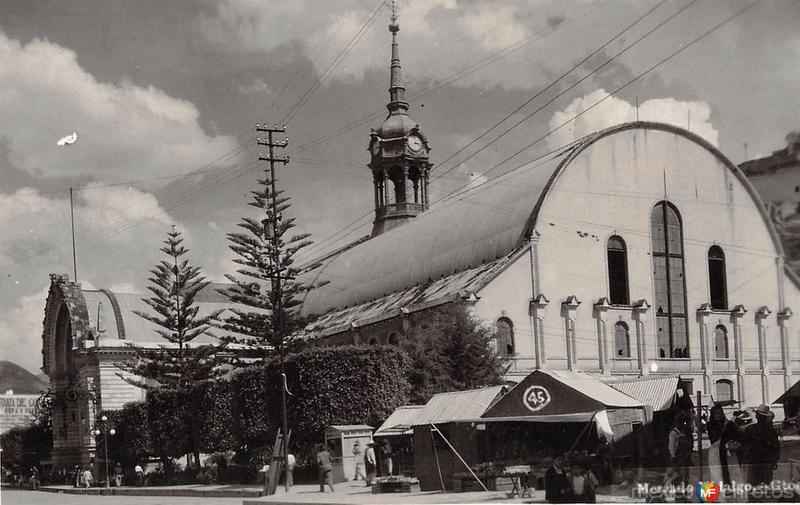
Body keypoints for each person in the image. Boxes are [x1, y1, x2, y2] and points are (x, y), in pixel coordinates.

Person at [742, 404, 780, 485]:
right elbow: (776, 448)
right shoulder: (770, 431)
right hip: (760, 461)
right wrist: (775, 460)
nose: (760, 418)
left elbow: (775, 447)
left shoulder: (750, 429)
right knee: (762, 484)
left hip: (759, 461)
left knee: (756, 484)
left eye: (761, 416)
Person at [707, 403, 739, 485]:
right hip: (716, 451)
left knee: (729, 470)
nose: (719, 415)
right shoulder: (710, 425)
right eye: (716, 413)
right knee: (717, 472)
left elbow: (736, 436)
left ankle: (729, 487)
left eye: (720, 413)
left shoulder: (729, 424)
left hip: (728, 451)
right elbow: (714, 437)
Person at [668, 411, 693, 486]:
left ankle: (684, 492)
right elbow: (671, 447)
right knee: (678, 478)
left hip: (685, 458)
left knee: (686, 477)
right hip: (678, 459)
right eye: (679, 421)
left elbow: (690, 444)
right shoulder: (674, 433)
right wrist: (674, 458)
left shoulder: (685, 431)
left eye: (683, 421)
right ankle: (678, 494)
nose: (681, 423)